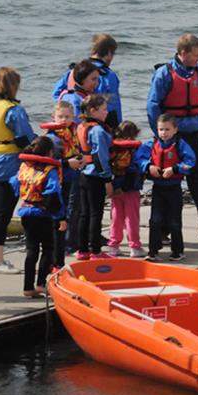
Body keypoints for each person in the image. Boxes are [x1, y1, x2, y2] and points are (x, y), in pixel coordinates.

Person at [147, 34, 198, 248]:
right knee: (168, 185)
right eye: (195, 55)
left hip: (196, 134)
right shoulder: (164, 75)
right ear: (183, 53)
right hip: (171, 136)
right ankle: (162, 232)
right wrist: (161, 134)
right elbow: (153, 106)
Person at [0, 67, 36, 273]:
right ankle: (0, 261)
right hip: (8, 164)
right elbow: (25, 138)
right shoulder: (13, 110)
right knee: (3, 212)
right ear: (13, 86)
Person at [134, 113, 196, 262]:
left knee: (175, 221)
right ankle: (153, 251)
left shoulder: (181, 144)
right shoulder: (152, 144)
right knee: (155, 220)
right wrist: (148, 166)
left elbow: (190, 161)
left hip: (174, 188)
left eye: (167, 129)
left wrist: (175, 169)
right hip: (158, 188)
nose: (164, 133)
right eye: (161, 129)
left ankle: (178, 251)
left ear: (175, 129)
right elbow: (139, 158)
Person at [9, 136, 63, 297]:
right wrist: (61, 217)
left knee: (31, 250)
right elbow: (54, 194)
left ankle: (27, 287)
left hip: (26, 212)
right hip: (43, 214)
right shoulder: (49, 171)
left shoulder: (24, 167)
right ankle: (40, 283)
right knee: (48, 249)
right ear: (50, 152)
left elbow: (14, 184)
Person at [41, 101, 85, 268]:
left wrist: (80, 160)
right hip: (57, 181)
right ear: (53, 117)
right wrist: (68, 163)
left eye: (67, 117)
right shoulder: (51, 138)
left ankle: (60, 256)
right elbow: (47, 162)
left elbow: (75, 151)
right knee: (57, 219)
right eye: (60, 117)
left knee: (66, 214)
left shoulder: (72, 133)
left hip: (70, 179)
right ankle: (55, 258)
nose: (63, 120)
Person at [52, 33, 122, 128]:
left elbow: (56, 94)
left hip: (70, 122)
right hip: (98, 124)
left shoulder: (74, 70)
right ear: (109, 53)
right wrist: (118, 128)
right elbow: (114, 107)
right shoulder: (108, 74)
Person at [75, 94, 113, 260]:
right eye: (103, 109)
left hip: (83, 174)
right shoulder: (97, 130)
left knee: (84, 213)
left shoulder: (82, 126)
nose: (106, 112)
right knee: (95, 214)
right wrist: (107, 179)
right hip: (95, 176)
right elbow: (101, 156)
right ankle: (96, 251)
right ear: (92, 111)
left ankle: (82, 249)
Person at [107, 121, 145, 257]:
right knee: (132, 218)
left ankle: (113, 245)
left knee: (116, 218)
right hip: (131, 189)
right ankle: (134, 246)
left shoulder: (115, 149)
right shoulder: (136, 149)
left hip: (116, 187)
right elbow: (138, 167)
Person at [57, 59, 100, 124]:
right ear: (82, 79)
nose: (97, 83)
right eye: (93, 79)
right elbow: (75, 124)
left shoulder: (85, 96)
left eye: (98, 79)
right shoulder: (73, 99)